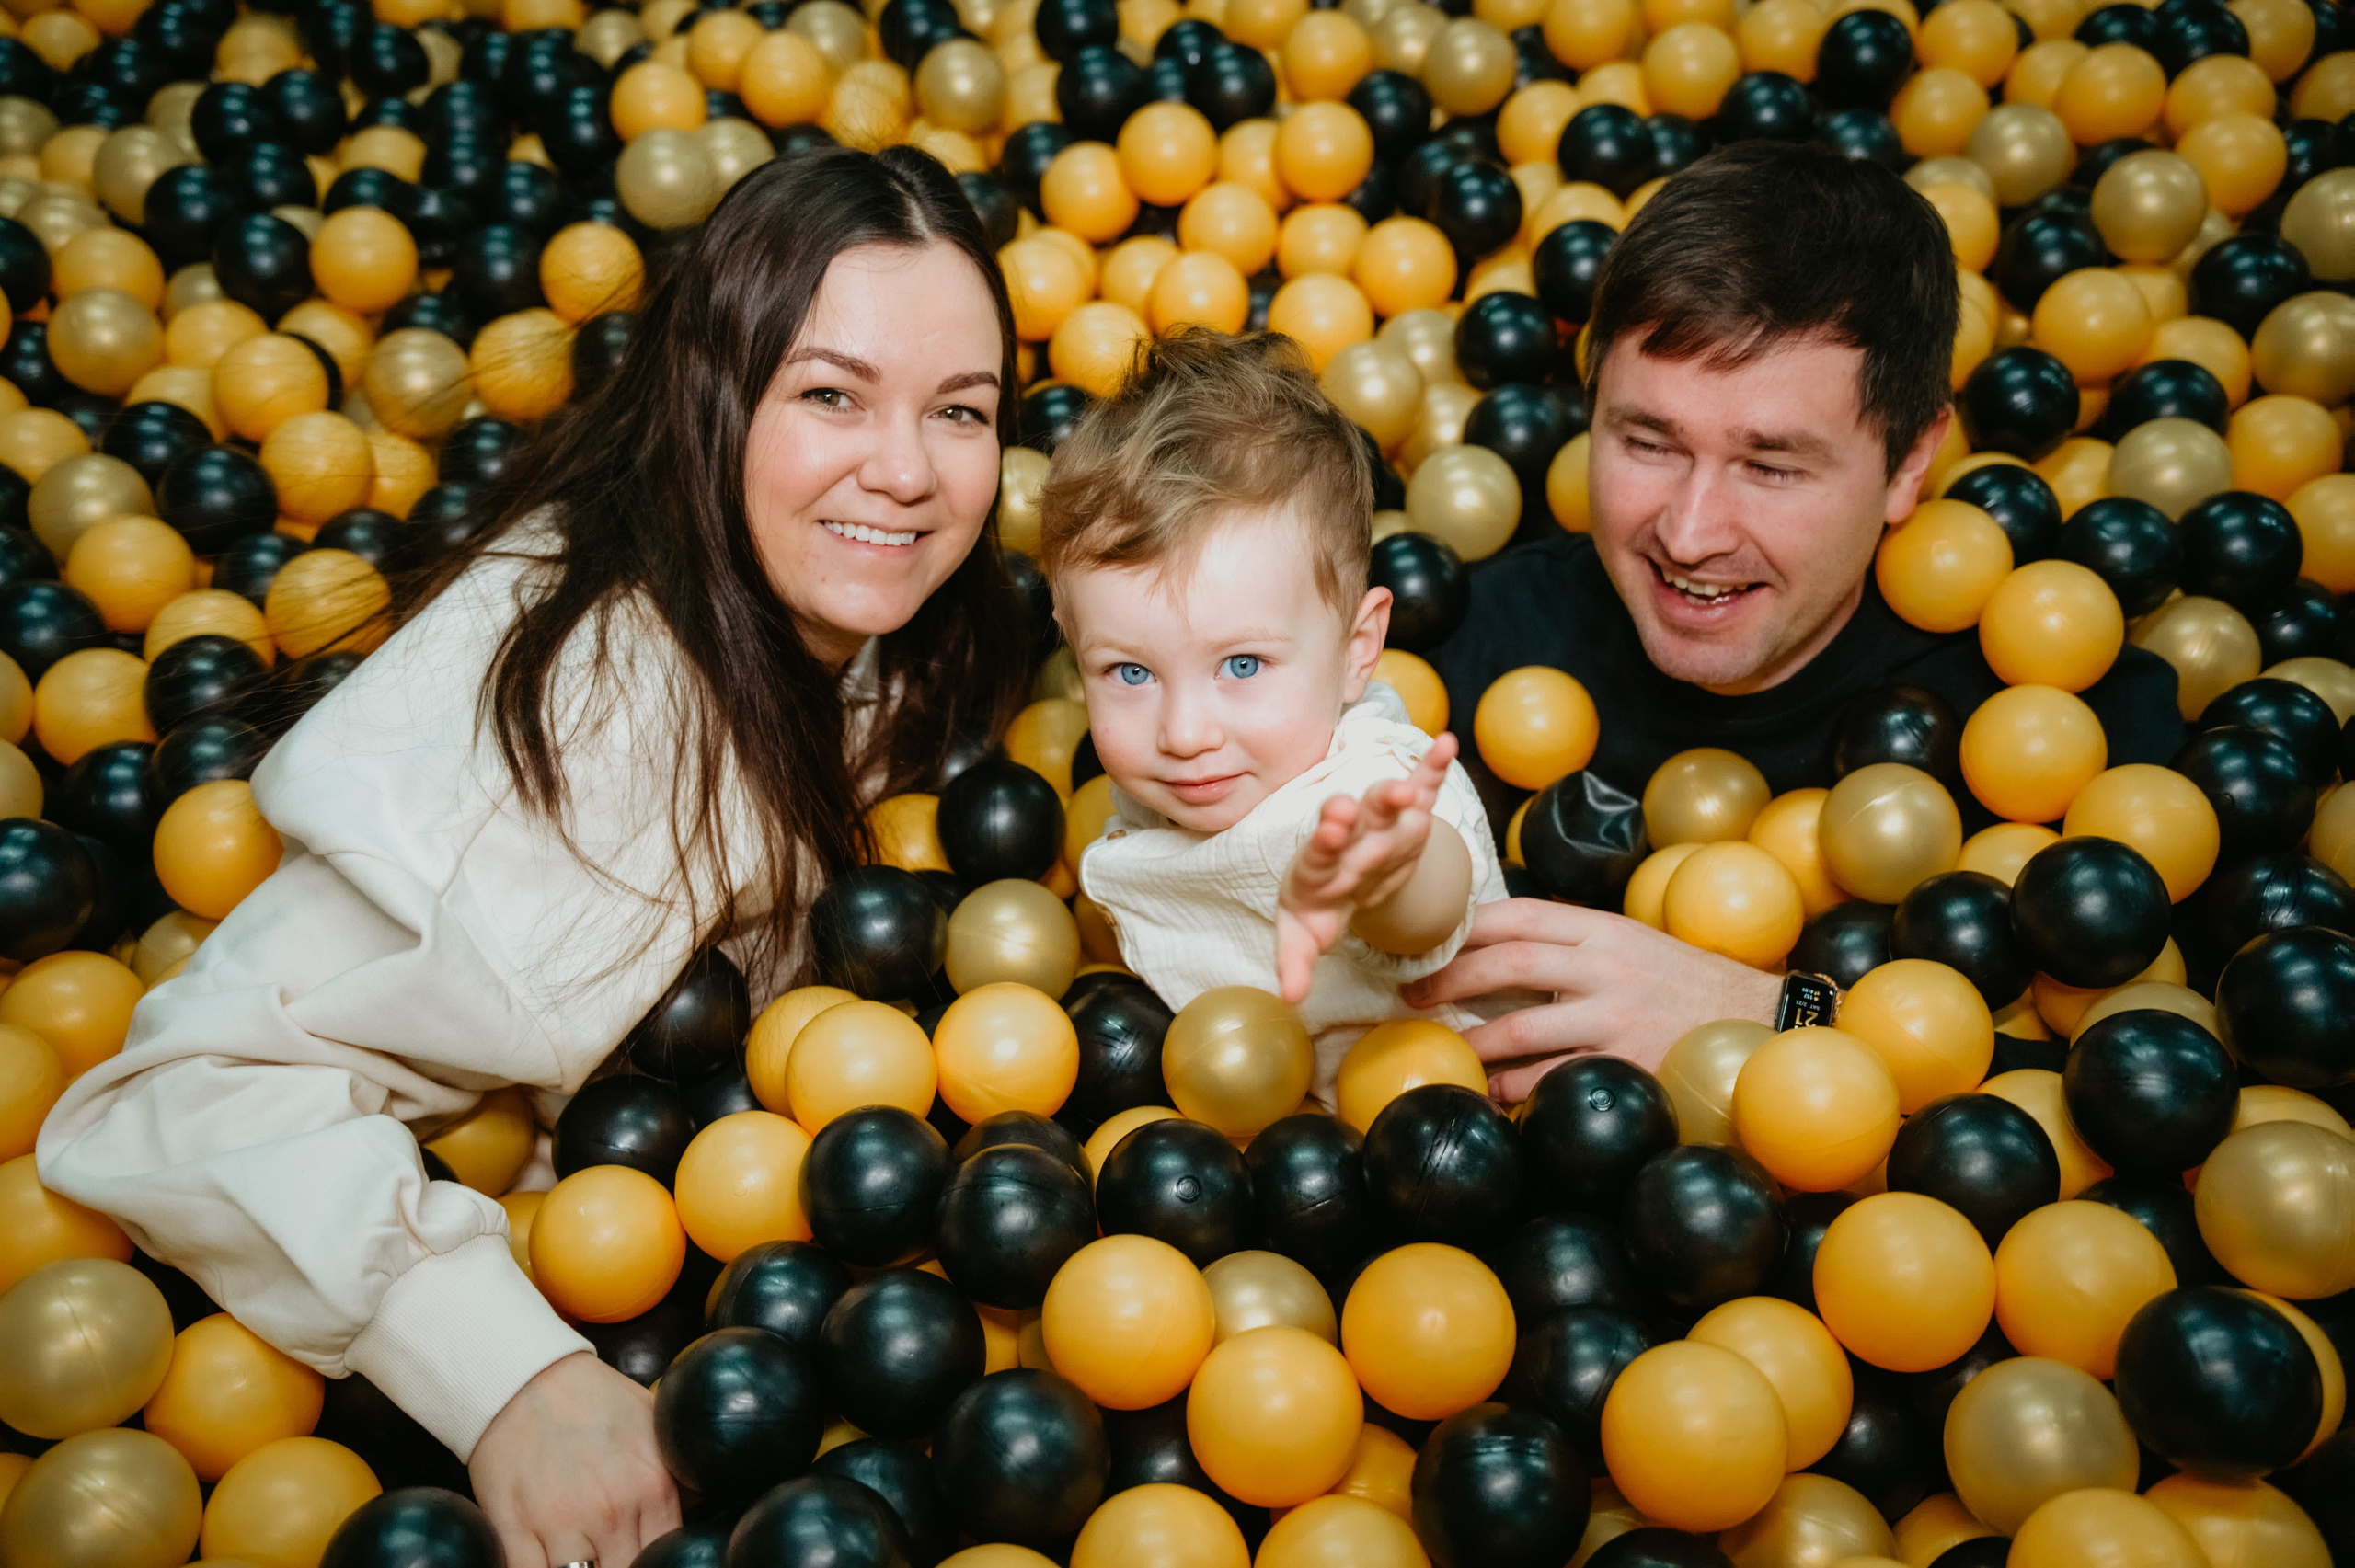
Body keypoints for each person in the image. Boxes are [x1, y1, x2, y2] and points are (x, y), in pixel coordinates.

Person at [38, 147, 1032, 1568]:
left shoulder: (890, 616)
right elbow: (185, 1091)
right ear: (712, 394)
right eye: (832, 394)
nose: (909, 470)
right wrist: (506, 1371)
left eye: (961, 411)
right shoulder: (602, 718)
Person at [1408, 143, 2187, 1099]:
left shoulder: (2079, 740)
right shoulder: (1450, 656)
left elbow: (2166, 1090)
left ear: (1909, 463)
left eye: (1771, 466)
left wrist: (1770, 1014)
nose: (1689, 533)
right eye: (1648, 441)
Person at [1040, 331, 1515, 1098]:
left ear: (1357, 648)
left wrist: (1384, 874)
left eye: (1242, 665)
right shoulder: (1199, 776)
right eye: (1131, 672)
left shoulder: (1363, 794)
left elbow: (1428, 907)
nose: (1184, 733)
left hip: (1453, 1115)